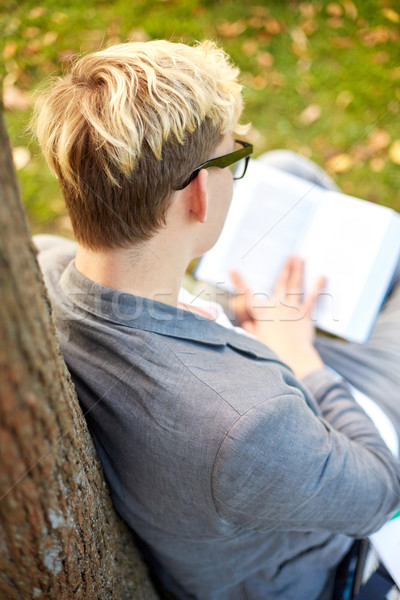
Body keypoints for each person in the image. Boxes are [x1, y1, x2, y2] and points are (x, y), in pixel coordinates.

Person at [32, 40, 400, 600]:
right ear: (201, 191)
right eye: (233, 159)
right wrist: (300, 356)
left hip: (240, 409)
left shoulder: (44, 264)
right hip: (323, 492)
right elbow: (380, 492)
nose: (236, 171)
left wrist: (228, 315)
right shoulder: (248, 427)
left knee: (288, 172)